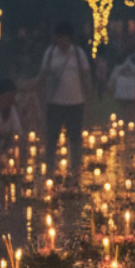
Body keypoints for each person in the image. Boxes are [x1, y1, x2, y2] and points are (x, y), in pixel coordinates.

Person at [38, 21, 91, 173]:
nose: (63, 41)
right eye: (60, 38)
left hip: (76, 102)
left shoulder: (78, 53)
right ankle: (50, 166)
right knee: (52, 136)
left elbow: (86, 75)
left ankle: (75, 167)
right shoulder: (50, 54)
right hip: (55, 102)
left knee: (74, 137)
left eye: (66, 38)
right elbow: (43, 76)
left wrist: (89, 97)